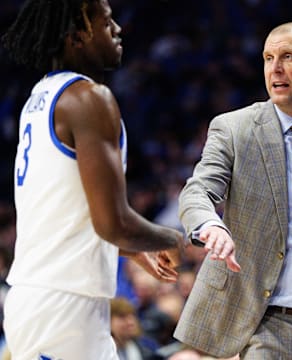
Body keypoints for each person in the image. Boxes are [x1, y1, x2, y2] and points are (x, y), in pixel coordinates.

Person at [1, 0, 185, 359]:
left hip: (50, 299)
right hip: (63, 306)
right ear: (77, 34)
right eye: (106, 21)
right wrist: (172, 238)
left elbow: (69, 211)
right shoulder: (89, 99)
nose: (117, 29)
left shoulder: (39, 98)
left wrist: (133, 247)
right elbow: (112, 222)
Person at [174, 21, 292, 359]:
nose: (275, 68)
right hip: (272, 329)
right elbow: (197, 191)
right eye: (268, 57)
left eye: (288, 56)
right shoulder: (235, 129)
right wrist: (210, 225)